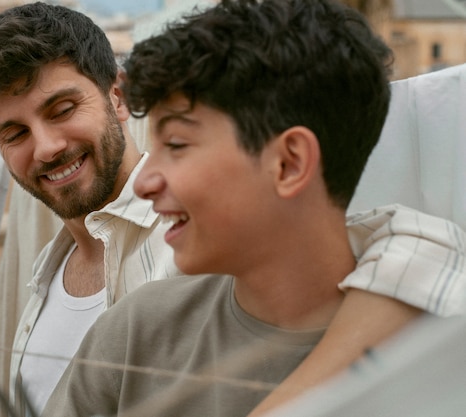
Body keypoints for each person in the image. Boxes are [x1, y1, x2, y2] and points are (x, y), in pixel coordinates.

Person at [0, 2, 465, 416]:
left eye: (176, 143)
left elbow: (423, 247)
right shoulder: (119, 314)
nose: (148, 179)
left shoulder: (193, 260)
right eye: (13, 133)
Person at [41, 0, 466, 416]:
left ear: (288, 163)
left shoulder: (439, 357)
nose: (147, 182)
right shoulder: (135, 330)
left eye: (176, 145)